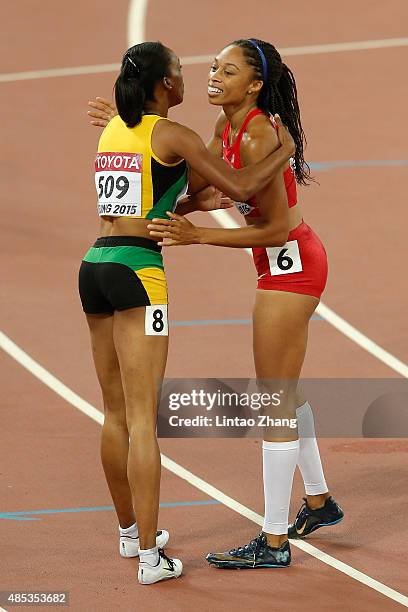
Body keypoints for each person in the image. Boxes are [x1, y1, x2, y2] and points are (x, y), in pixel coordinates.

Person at [80, 41, 295, 584]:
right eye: (178, 73)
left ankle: (131, 536)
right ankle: (153, 561)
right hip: (139, 275)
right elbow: (243, 185)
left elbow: (182, 188)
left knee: (113, 415)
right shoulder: (174, 134)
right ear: (163, 85)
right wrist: (283, 151)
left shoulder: (113, 131)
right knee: (144, 420)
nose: (187, 81)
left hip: (95, 266)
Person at [145, 38, 345, 569]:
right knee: (286, 391)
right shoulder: (226, 126)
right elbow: (221, 190)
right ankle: (319, 503)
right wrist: (183, 206)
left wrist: (196, 237)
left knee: (272, 399)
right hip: (280, 264)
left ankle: (274, 541)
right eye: (212, 67)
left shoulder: (256, 133)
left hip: (293, 265)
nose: (213, 76)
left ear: (254, 85)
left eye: (226, 71)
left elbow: (277, 228)